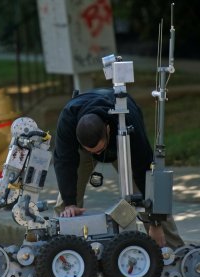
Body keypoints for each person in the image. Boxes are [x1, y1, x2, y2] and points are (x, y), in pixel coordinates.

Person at [52, 88, 185, 249]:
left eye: (99, 150)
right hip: (85, 146)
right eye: (91, 151)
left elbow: (145, 173)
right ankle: (60, 252)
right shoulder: (68, 118)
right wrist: (70, 203)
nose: (97, 155)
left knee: (143, 196)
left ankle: (175, 251)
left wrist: (155, 223)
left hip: (123, 141)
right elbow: (64, 162)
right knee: (65, 206)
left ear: (107, 129)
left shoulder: (128, 118)